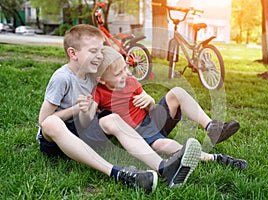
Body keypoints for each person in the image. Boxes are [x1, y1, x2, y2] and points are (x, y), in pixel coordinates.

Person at [36, 24, 202, 193]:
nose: (99, 56)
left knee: (112, 118)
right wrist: (76, 109)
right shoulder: (62, 78)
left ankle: (163, 168)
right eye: (93, 51)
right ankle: (118, 173)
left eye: (100, 51)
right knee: (51, 123)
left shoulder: (93, 76)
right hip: (57, 137)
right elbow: (42, 121)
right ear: (73, 54)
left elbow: (88, 118)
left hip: (82, 131)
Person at [79, 46, 247, 170]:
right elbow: (88, 120)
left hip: (153, 118)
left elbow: (150, 107)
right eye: (118, 73)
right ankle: (214, 158)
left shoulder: (131, 81)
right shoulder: (98, 92)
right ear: (101, 80)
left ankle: (212, 127)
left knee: (178, 92)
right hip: (139, 134)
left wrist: (150, 100)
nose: (126, 74)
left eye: (125, 68)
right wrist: (86, 106)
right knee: (163, 146)